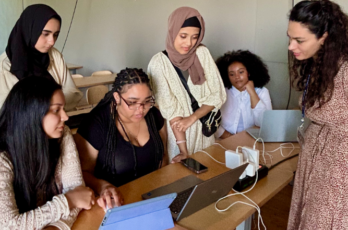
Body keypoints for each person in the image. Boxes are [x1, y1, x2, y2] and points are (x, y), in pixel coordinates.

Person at [286, 1, 348, 230]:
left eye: (299, 40)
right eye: (290, 38)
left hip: (342, 172)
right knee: (309, 223)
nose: (291, 46)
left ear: (325, 37)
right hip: (316, 162)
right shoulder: (317, 65)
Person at [0, 77, 94, 230]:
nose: (65, 117)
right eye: (56, 110)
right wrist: (67, 201)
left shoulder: (61, 134)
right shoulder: (2, 156)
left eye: (63, 109)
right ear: (32, 114)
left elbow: (79, 194)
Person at [74, 68, 167, 211]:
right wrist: (103, 186)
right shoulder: (97, 124)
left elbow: (163, 157)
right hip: (115, 205)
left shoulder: (153, 116)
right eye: (132, 102)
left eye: (147, 101)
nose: (141, 109)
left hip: (151, 196)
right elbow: (82, 173)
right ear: (117, 97)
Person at [148, 7, 226, 162]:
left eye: (195, 37)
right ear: (172, 31)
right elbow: (171, 111)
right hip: (180, 136)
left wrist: (192, 118)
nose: (189, 43)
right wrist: (183, 150)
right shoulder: (159, 63)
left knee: (208, 174)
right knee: (182, 177)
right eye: (183, 36)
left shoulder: (202, 53)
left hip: (205, 131)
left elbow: (218, 95)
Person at [0, 4, 83, 111]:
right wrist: (51, 104)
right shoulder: (4, 68)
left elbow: (73, 93)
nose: (52, 41)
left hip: (56, 125)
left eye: (56, 34)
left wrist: (49, 106)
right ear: (29, 30)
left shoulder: (55, 56)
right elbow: (6, 113)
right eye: (45, 34)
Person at [215, 50, 272, 139]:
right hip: (223, 141)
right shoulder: (221, 92)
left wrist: (252, 93)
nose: (236, 77)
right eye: (232, 74)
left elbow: (266, 124)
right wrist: (229, 137)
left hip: (253, 141)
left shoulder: (262, 91)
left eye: (241, 72)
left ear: (249, 72)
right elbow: (211, 122)